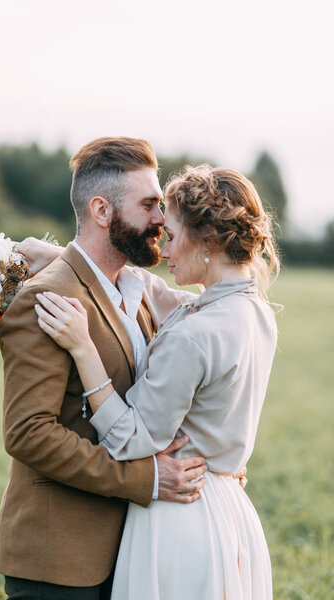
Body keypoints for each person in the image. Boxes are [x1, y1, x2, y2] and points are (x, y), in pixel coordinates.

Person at [35, 164, 279, 599]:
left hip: (180, 517)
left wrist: (83, 347)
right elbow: (142, 286)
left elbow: (130, 439)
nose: (163, 250)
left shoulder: (194, 334)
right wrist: (59, 258)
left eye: (172, 235)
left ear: (207, 240)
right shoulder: (253, 312)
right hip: (231, 513)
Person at [0, 137, 213, 600]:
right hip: (59, 562)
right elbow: (29, 432)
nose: (161, 219)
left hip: (128, 551)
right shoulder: (46, 297)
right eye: (150, 204)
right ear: (101, 210)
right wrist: (146, 478)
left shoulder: (134, 291)